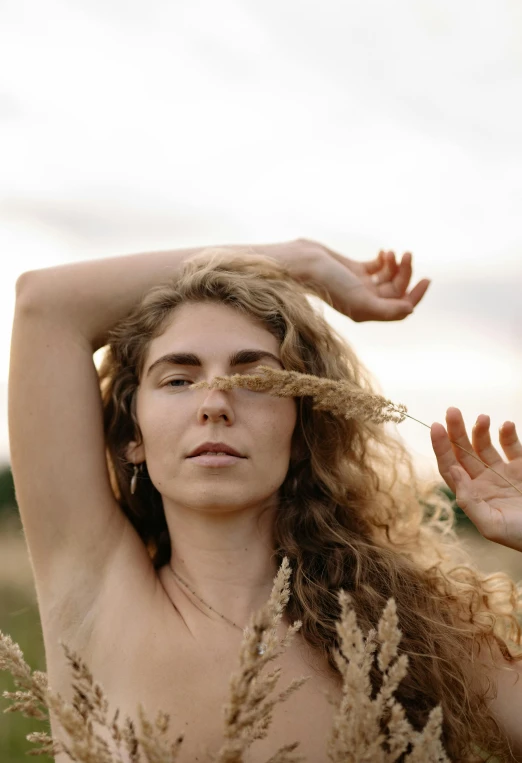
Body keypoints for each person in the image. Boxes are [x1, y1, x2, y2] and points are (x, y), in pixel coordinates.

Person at [8, 238, 522, 762]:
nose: (215, 403)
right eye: (179, 379)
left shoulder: (401, 628)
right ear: (131, 437)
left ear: (302, 428)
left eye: (255, 380)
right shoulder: (95, 591)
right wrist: (297, 262)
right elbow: (45, 305)